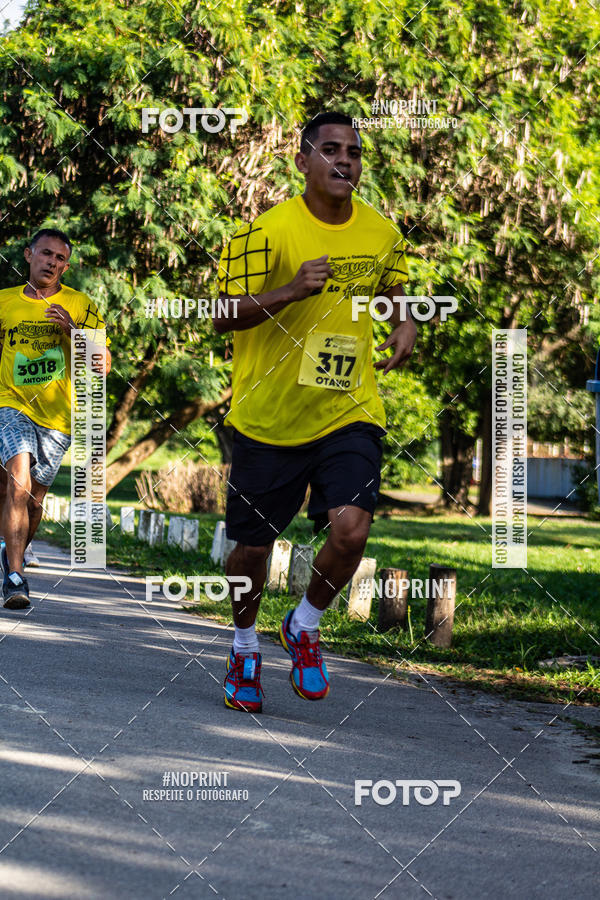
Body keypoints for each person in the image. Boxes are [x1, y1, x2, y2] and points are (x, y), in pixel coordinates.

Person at [214, 111, 417, 713]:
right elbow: (222, 314)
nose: (344, 162)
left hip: (349, 406)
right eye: (330, 151)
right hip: (269, 418)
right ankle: (245, 645)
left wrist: (404, 319)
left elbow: (393, 284)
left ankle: (304, 624)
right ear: (302, 162)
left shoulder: (381, 232)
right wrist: (289, 292)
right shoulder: (265, 233)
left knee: (352, 527)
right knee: (252, 549)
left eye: (353, 152)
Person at [0, 228, 110, 609]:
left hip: (58, 417)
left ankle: (9, 554)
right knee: (18, 481)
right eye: (46, 254)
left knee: (33, 500)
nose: (52, 263)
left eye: (60, 259)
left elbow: (103, 365)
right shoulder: (4, 302)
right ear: (29, 254)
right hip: (10, 404)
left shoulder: (81, 305)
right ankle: (15, 577)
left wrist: (74, 332)